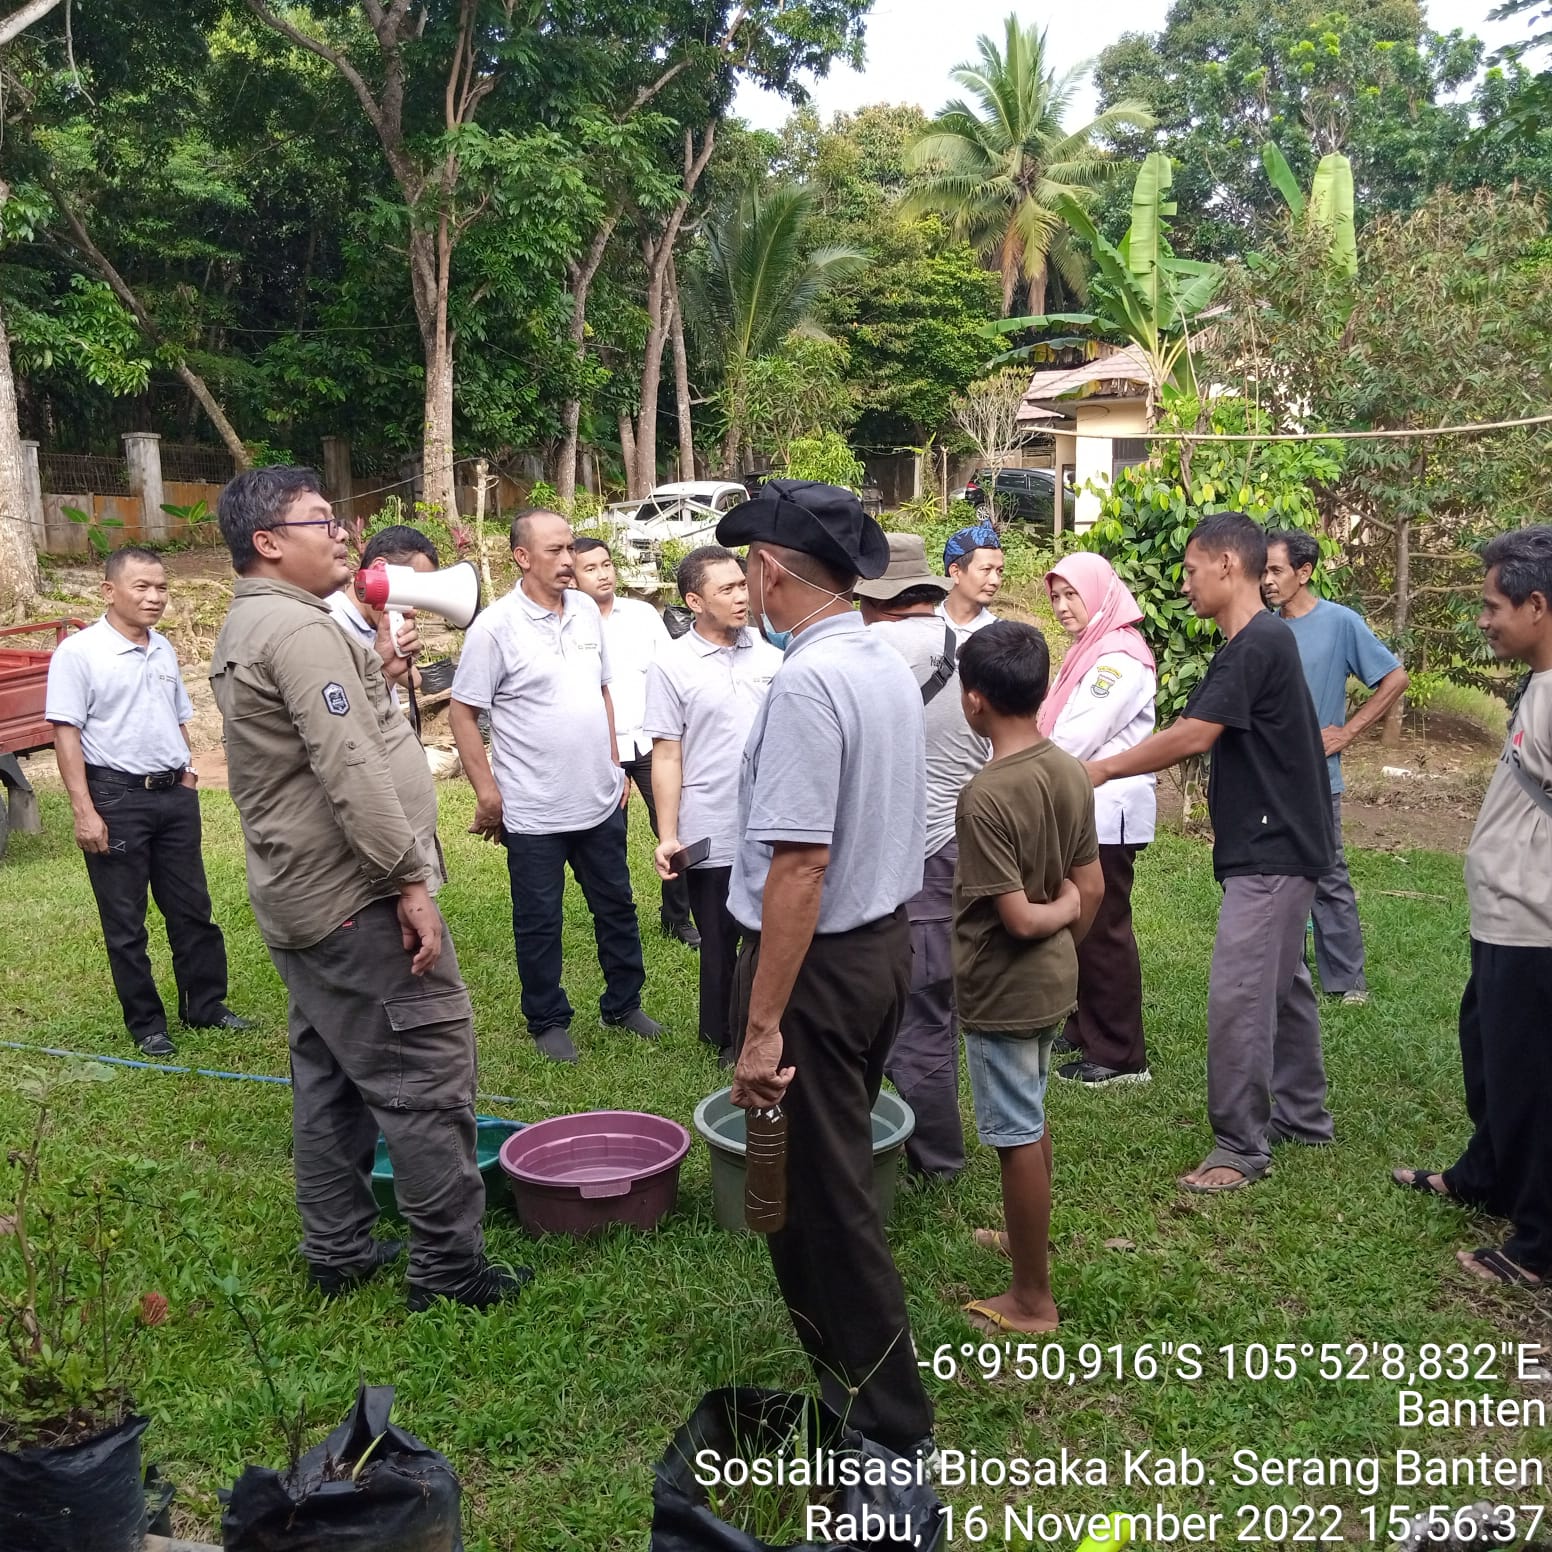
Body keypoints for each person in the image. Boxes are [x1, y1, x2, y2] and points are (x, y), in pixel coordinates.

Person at [210, 467, 525, 1310]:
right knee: (423, 1071)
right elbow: (348, 767)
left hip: (300, 895)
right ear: (269, 542)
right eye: (323, 522)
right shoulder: (300, 631)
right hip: (356, 898)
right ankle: (449, 1271)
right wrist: (407, 883)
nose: (343, 534)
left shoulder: (257, 622)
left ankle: (339, 1247)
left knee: (328, 1076)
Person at [716, 478, 936, 1458]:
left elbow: (799, 865)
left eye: (744, 566)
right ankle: (844, 1384)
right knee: (813, 1180)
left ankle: (883, 1423)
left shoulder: (809, 679)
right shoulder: (879, 656)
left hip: (820, 963)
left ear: (768, 570)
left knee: (824, 1199)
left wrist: (762, 1024)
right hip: (882, 944)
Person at [1085, 512, 1336, 1192]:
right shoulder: (1257, 643)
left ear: (1228, 565)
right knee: (1284, 986)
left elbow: (1194, 734)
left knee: (1244, 993)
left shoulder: (1258, 643)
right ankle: (1304, 1115)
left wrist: (1103, 769)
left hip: (1273, 850)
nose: (1185, 582)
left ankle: (1239, 1148)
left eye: (1192, 569)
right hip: (1284, 843)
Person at [1392, 525, 1552, 1288]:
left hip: (1538, 926)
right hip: (1504, 917)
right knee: (1490, 1059)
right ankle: (1484, 1173)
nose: (1484, 620)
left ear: (1538, 605)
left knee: (1533, 1082)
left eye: (1493, 606)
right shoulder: (1538, 685)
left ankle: (1539, 1244)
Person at [449, 509, 661, 1064]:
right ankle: (547, 1018)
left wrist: (615, 762)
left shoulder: (588, 610)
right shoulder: (494, 627)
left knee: (616, 906)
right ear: (522, 557)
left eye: (571, 549)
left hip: (598, 800)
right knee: (539, 922)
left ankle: (624, 1002)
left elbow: (604, 689)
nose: (569, 561)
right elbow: (463, 713)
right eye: (555, 551)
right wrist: (487, 792)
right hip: (533, 809)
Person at [953, 621, 1104, 1335]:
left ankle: (1032, 1299)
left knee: (1014, 1135)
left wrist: (1054, 914)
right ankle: (1025, 1236)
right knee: (1033, 1114)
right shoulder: (1068, 768)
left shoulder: (986, 795)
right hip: (1054, 980)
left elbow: (1014, 918)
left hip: (1003, 991)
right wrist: (1069, 918)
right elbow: (1091, 888)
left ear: (973, 700)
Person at [45, 545, 244, 1058]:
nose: (155, 597)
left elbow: (178, 713)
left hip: (174, 794)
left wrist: (190, 770)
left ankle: (206, 1006)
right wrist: (84, 810)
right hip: (115, 797)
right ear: (109, 591)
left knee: (192, 909)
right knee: (126, 922)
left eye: (161, 587)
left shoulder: (163, 647)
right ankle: (147, 1024)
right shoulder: (80, 653)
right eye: (142, 587)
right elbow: (65, 734)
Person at [855, 532, 989, 1179]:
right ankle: (903, 1142)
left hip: (906, 858)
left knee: (914, 1020)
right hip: (964, 849)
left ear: (870, 599)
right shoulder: (970, 651)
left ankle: (935, 1162)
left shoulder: (866, 652)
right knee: (936, 1005)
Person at [644, 546, 782, 1060]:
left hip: (770, 820)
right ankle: (723, 1036)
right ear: (694, 601)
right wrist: (668, 833)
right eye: (726, 589)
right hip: (711, 822)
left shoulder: (773, 657)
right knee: (719, 937)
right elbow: (666, 754)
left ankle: (765, 1027)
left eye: (742, 585)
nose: (741, 596)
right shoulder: (672, 665)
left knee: (768, 932)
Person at [1263, 529, 1409, 1006]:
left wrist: (1348, 732)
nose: (1266, 580)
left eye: (1276, 570)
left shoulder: (1340, 622)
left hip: (1317, 781)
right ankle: (1286, 972)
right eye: (1262, 570)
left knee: (1328, 876)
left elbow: (1395, 677)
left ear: (1304, 573)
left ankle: (1347, 982)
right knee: (1274, 878)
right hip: (1267, 780)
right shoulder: (1265, 628)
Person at [1039, 553, 1157, 1086]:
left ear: (1102, 593)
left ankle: (1120, 1054)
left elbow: (1073, 738)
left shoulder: (1118, 659)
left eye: (1072, 595)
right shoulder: (1090, 651)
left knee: (1103, 930)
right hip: (1082, 812)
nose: (1063, 607)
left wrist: (1023, 756)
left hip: (1105, 817)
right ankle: (1086, 1027)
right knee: (1079, 927)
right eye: (1056, 596)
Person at [571, 535, 697, 948]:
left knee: (674, 828)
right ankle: (617, 917)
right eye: (590, 568)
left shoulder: (642, 614)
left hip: (651, 743)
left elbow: (671, 672)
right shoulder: (568, 624)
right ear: (571, 578)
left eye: (606, 564)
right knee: (608, 839)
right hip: (598, 749)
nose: (603, 574)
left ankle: (677, 918)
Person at [327, 524, 439, 711]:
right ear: (379, 570)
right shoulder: (331, 623)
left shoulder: (373, 627)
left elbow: (416, 679)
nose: (414, 607)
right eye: (413, 590)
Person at [938, 523, 1004, 644]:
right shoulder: (926, 626)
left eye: (999, 571)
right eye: (986, 569)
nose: (995, 581)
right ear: (955, 572)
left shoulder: (1002, 638)